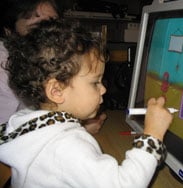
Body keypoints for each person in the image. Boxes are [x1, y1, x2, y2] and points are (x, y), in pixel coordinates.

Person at [0, 18, 173, 187]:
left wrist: (81, 128)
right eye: (95, 82)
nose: (103, 89)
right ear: (56, 91)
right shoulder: (67, 147)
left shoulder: (27, 120)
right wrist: (152, 135)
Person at [0, 0, 106, 134]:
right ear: (9, 31)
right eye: (36, 29)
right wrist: (72, 132)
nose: (50, 38)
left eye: (54, 26)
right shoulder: (3, 65)